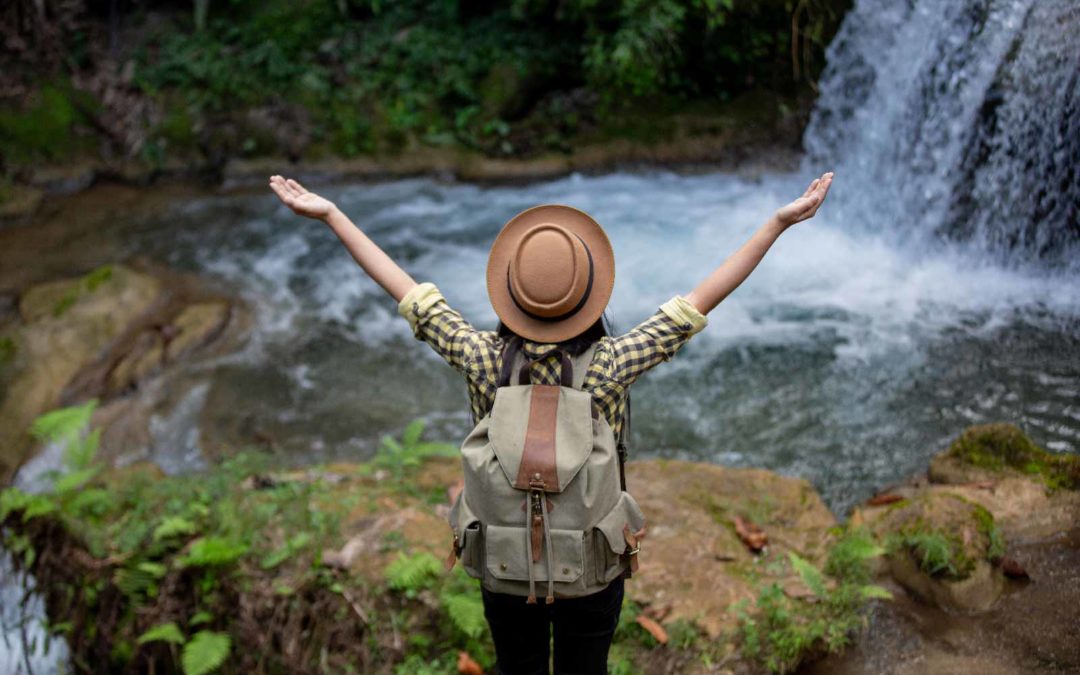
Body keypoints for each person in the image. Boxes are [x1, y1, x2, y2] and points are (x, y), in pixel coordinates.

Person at [268, 171, 833, 674]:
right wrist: (776, 224)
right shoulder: (612, 364)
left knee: (518, 665)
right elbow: (697, 304)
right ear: (589, 294)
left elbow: (408, 292)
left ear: (511, 293)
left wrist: (333, 214)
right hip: (591, 569)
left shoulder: (480, 357)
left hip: (504, 565)